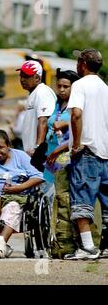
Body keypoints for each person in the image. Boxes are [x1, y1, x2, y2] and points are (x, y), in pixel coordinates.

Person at [64, 48, 108, 260]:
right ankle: (106, 246)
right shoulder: (104, 87)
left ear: (82, 64)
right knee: (106, 202)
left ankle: (88, 248)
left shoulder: (79, 85)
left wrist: (77, 144)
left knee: (82, 198)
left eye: (77, 61)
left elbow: (77, 114)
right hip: (105, 152)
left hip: (87, 152)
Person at [0, 130, 44, 258]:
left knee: (13, 206)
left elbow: (38, 177)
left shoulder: (21, 157)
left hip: (17, 196)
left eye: (1, 147)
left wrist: (19, 188)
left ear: (9, 146)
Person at [43, 69, 80, 184]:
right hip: (50, 153)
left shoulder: (76, 106)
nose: (61, 90)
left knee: (61, 192)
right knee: (48, 191)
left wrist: (66, 124)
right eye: (59, 86)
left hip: (64, 155)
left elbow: (82, 124)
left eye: (65, 86)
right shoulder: (57, 104)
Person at [18, 60, 57, 165]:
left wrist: (38, 148)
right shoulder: (33, 93)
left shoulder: (42, 92)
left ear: (37, 78)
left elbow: (44, 120)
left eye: (26, 76)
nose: (22, 79)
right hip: (31, 153)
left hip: (39, 154)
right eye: (21, 76)